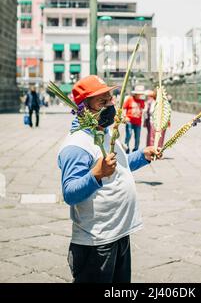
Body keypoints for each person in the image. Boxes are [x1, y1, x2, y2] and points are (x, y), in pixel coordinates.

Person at [57, 75, 162, 284]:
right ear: (84, 108)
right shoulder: (76, 146)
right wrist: (96, 174)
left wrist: (142, 155)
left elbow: (118, 166)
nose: (111, 105)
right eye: (102, 102)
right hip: (97, 241)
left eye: (111, 99)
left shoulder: (103, 132)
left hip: (120, 233)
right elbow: (70, 193)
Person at [123, 85, 145, 153]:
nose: (139, 95)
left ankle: (136, 149)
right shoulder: (130, 99)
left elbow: (142, 110)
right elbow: (124, 108)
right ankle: (126, 147)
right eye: (138, 94)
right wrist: (125, 116)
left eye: (140, 94)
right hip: (129, 120)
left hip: (138, 121)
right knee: (128, 135)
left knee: (137, 137)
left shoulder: (142, 101)